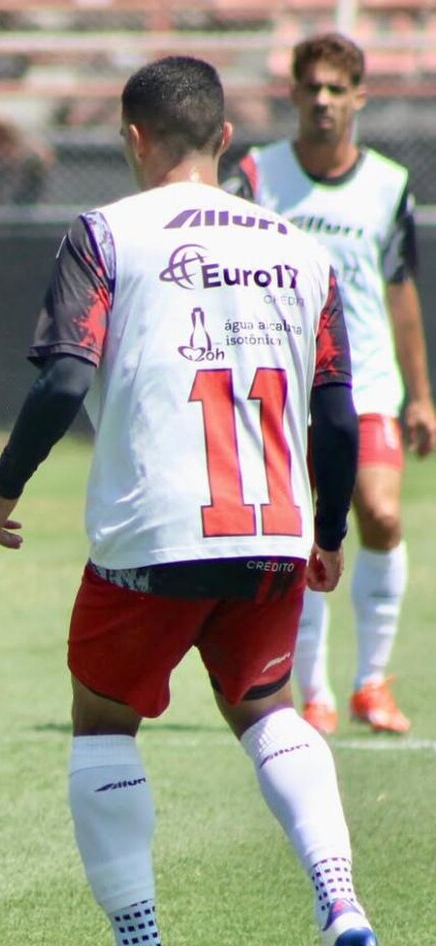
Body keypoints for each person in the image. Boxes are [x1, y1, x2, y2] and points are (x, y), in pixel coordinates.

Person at [0, 56, 385, 946]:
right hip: (270, 532)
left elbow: (65, 380)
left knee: (103, 724)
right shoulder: (300, 248)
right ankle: (343, 905)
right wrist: (327, 527)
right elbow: (338, 414)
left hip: (151, 530)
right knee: (269, 711)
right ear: (228, 145)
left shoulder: (104, 232)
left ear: (132, 139)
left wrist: (3, 485)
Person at [229, 32, 435, 735]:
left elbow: (400, 288)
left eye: (335, 88)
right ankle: (311, 690)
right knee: (300, 534)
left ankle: (370, 681)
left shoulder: (387, 183)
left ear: (359, 98)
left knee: (378, 513)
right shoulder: (256, 176)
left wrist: (422, 394)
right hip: (282, 386)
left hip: (365, 381)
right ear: (292, 94)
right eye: (310, 86)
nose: (322, 100)